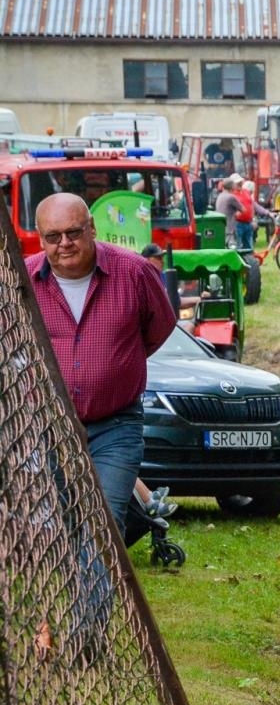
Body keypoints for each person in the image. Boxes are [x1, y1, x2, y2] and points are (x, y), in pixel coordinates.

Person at [27, 192, 176, 535]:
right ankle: (81, 588)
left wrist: (118, 363)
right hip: (49, 424)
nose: (64, 243)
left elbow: (160, 327)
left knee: (105, 521)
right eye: (53, 236)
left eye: (73, 233)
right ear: (40, 238)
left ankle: (100, 591)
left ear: (91, 228)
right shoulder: (24, 280)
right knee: (62, 521)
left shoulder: (133, 272)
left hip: (116, 425)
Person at [214, 173, 243, 248]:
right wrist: (237, 212)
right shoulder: (231, 197)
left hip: (221, 228)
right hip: (230, 229)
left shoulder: (220, 196)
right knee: (235, 250)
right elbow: (243, 209)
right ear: (232, 186)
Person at [235, 179, 257, 253]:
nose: (240, 184)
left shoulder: (246, 192)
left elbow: (251, 206)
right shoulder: (232, 194)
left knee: (249, 246)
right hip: (238, 223)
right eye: (238, 183)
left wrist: (253, 219)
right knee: (238, 246)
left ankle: (250, 262)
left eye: (240, 182)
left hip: (248, 223)